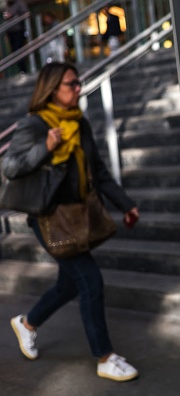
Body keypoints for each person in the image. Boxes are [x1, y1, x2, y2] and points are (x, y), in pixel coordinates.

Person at [2, 62, 140, 382]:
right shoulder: (35, 125)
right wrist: (45, 147)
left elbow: (100, 172)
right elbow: (10, 167)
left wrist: (126, 204)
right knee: (90, 280)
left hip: (79, 213)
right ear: (52, 90)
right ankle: (105, 357)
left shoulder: (80, 123)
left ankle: (27, 324)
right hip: (50, 217)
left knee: (69, 283)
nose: (78, 88)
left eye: (78, 83)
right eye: (71, 84)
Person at [3, 0, 29, 73]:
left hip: (18, 30)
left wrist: (13, 16)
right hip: (10, 32)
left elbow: (26, 13)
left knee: (18, 50)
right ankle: (20, 70)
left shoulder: (19, 3)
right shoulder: (7, 6)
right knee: (14, 51)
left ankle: (23, 70)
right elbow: (5, 16)